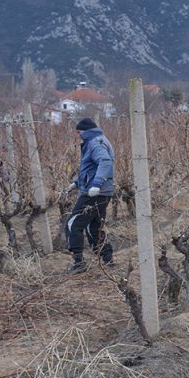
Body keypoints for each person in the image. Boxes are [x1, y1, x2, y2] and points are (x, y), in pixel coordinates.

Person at [66, 117, 115, 273]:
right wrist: (77, 183)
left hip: (95, 193)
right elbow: (90, 168)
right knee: (94, 227)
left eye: (79, 132)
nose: (78, 135)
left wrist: (96, 184)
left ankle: (78, 262)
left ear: (85, 131)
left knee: (73, 224)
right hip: (102, 192)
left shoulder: (95, 143)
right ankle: (107, 259)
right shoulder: (98, 140)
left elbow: (105, 162)